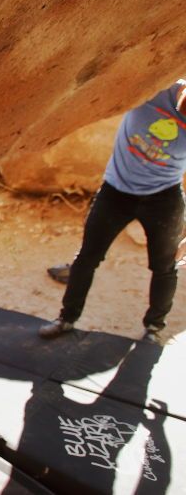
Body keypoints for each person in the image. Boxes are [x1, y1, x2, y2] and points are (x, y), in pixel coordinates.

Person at [39, 79, 186, 344]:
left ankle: (153, 329)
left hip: (163, 197)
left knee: (165, 266)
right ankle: (66, 319)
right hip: (117, 190)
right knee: (86, 258)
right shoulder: (155, 86)